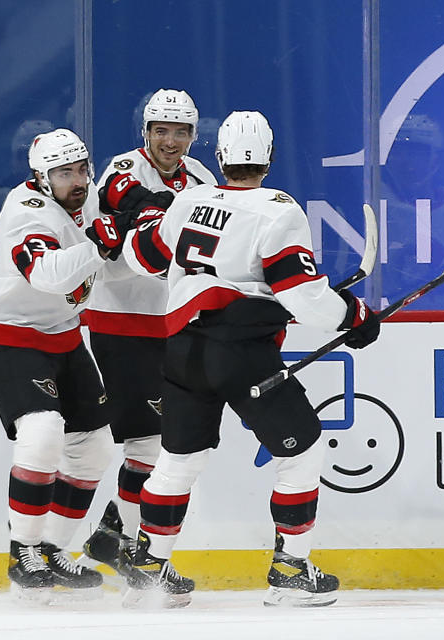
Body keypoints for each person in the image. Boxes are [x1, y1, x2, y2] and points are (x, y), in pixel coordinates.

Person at [116, 111, 380, 608]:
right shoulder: (278, 210)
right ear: (269, 158)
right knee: (301, 453)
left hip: (182, 350)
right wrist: (356, 314)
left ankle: (149, 571)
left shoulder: (188, 200)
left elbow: (141, 259)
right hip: (240, 353)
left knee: (178, 461)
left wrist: (148, 219)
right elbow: (301, 295)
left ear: (218, 157)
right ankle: (290, 570)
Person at [0, 128, 130, 600]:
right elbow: (46, 274)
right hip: (9, 334)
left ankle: (54, 549)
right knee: (41, 432)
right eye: (64, 173)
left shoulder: (90, 200)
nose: (77, 180)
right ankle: (25, 550)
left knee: (96, 447)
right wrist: (99, 244)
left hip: (61, 333)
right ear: (41, 178)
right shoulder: (26, 213)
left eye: (81, 169)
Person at [81, 89, 218, 573]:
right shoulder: (123, 168)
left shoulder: (201, 178)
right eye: (162, 130)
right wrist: (175, 206)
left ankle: (115, 529)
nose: (171, 141)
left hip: (171, 320)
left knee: (166, 439)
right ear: (147, 133)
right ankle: (134, 548)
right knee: (149, 441)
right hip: (121, 319)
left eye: (181, 132)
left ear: (193, 136)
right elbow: (133, 201)